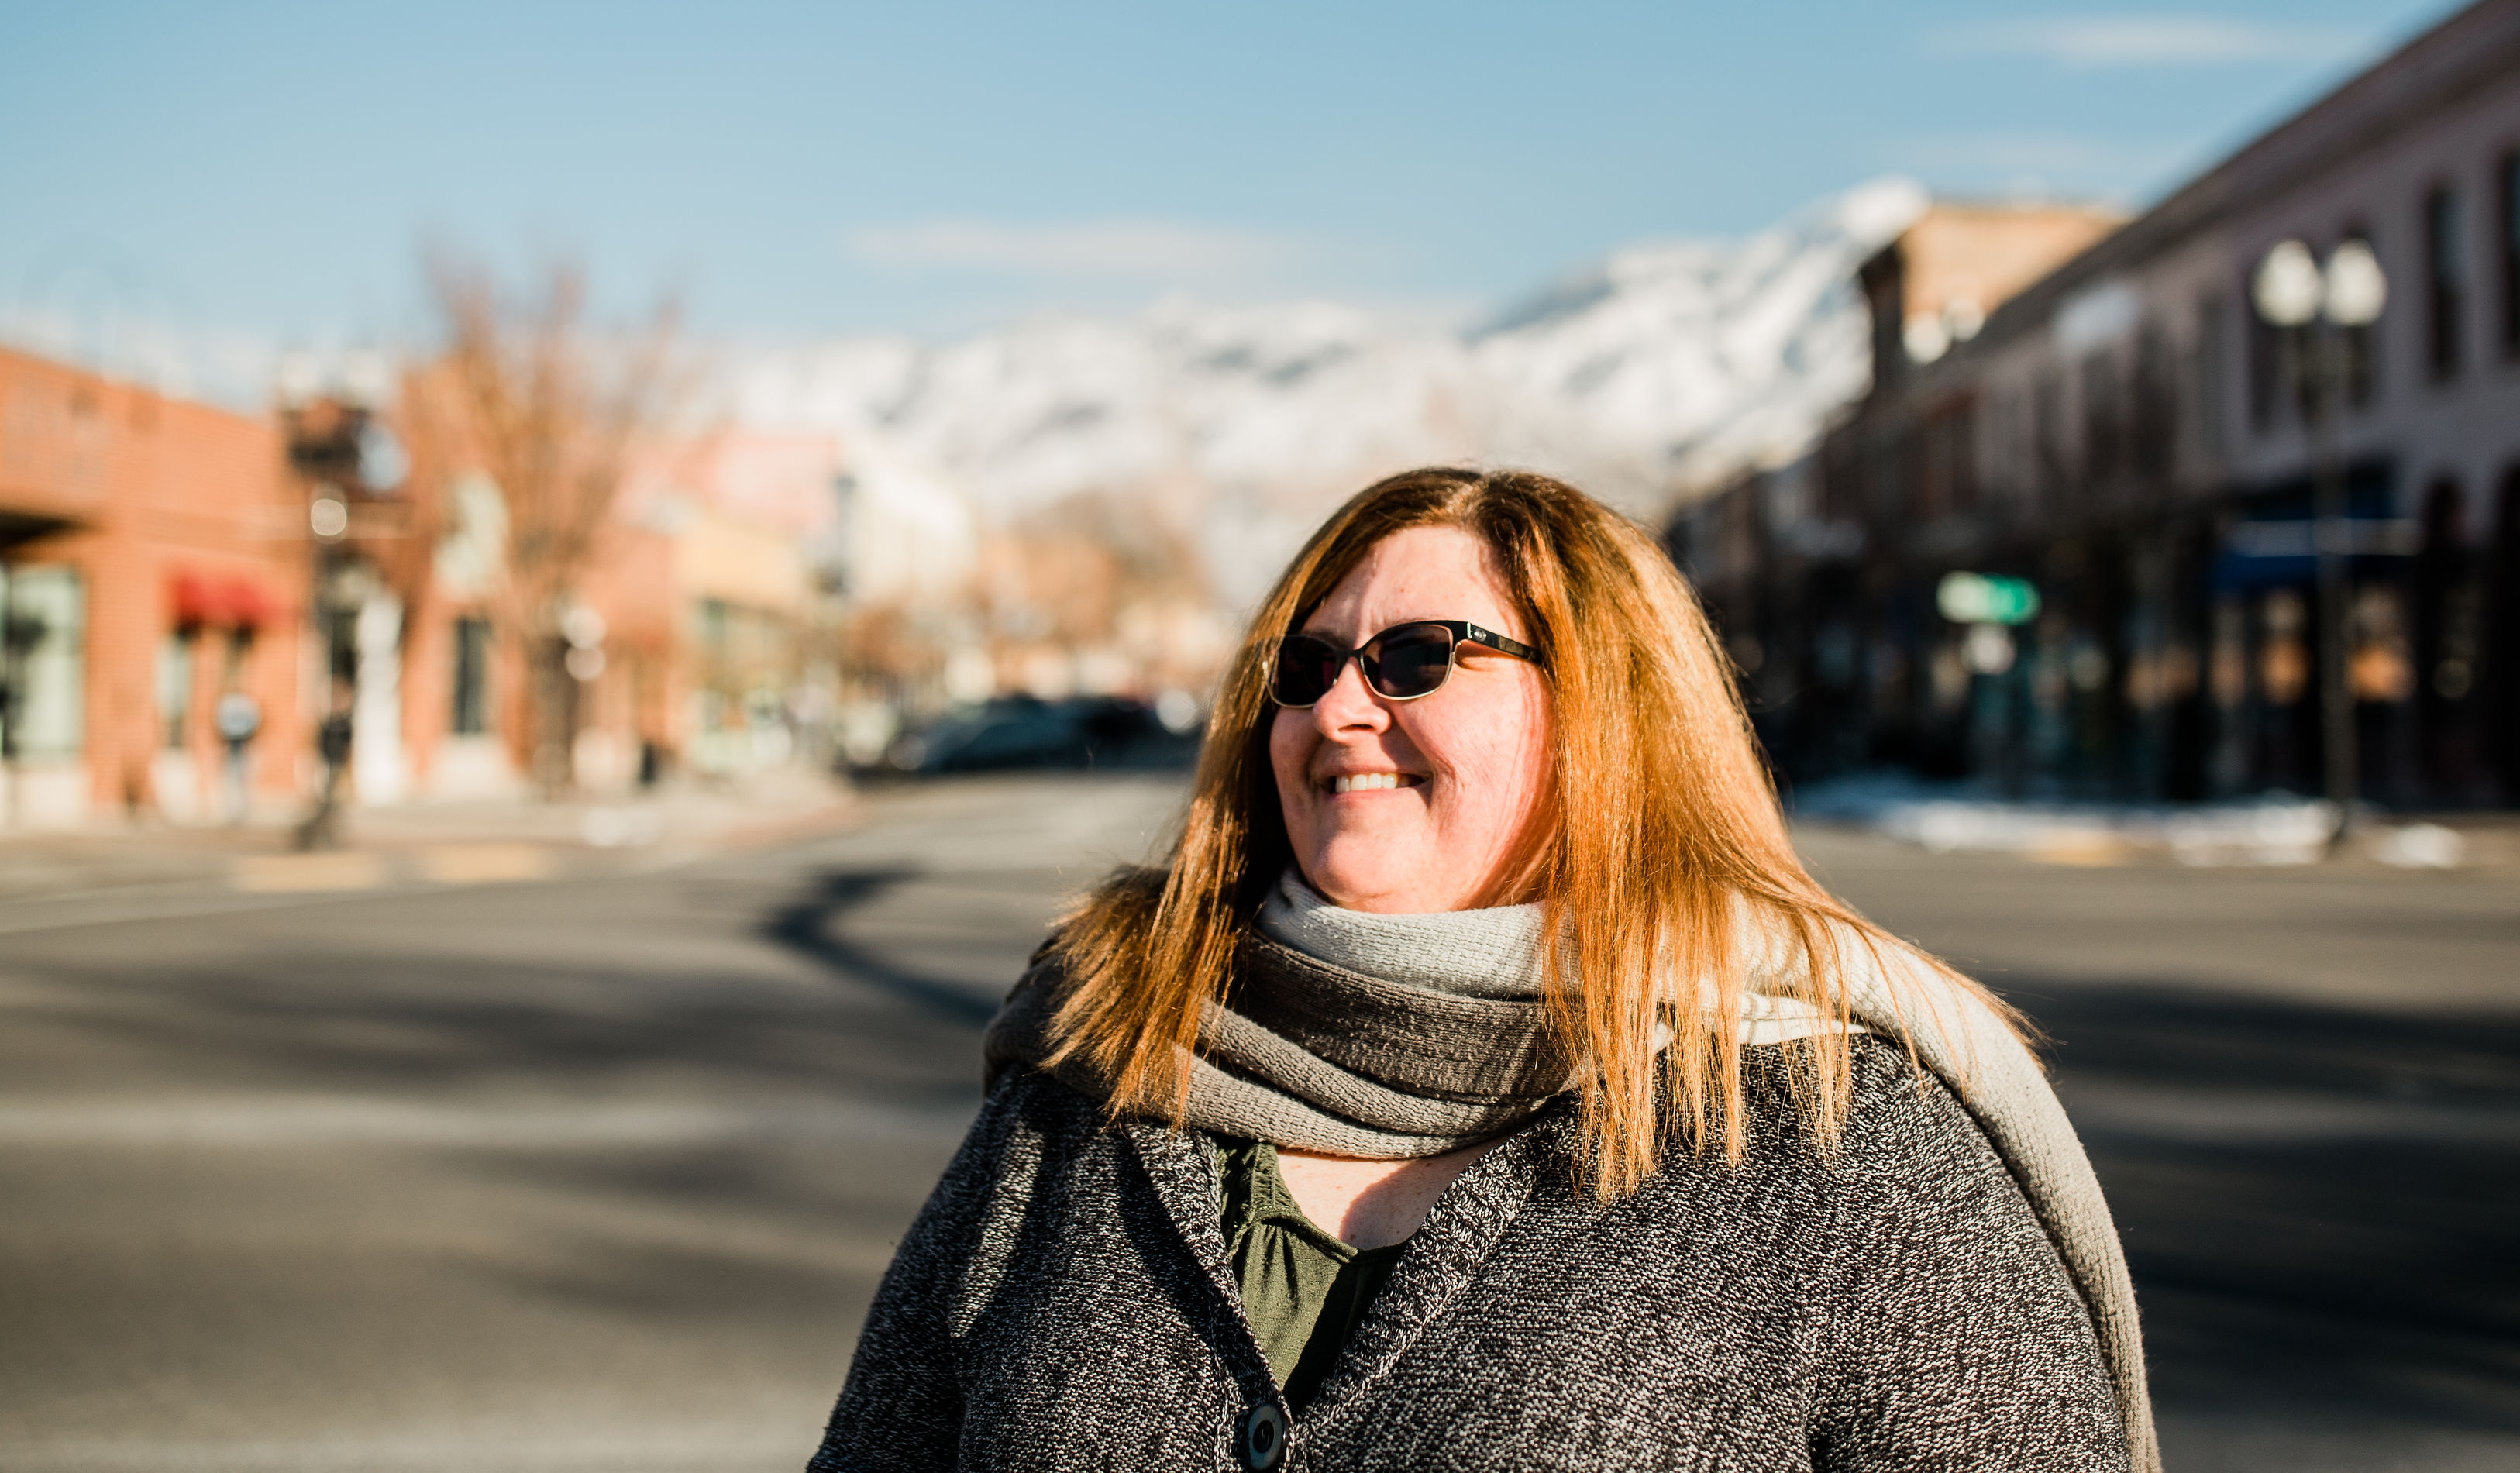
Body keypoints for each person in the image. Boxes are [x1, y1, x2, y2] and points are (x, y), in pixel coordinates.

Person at [813, 466, 2155, 1472]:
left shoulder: (1845, 1144)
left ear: (1604, 715)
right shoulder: (1092, 1080)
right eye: (1309, 663)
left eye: (1414, 659)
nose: (1339, 707)